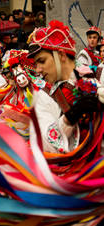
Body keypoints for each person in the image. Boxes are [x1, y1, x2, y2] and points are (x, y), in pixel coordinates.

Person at [27, 20, 103, 154]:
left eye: (42, 61)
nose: (38, 70)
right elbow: (44, 143)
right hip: (70, 170)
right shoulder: (42, 94)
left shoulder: (88, 79)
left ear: (61, 55)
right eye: (36, 64)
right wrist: (70, 117)